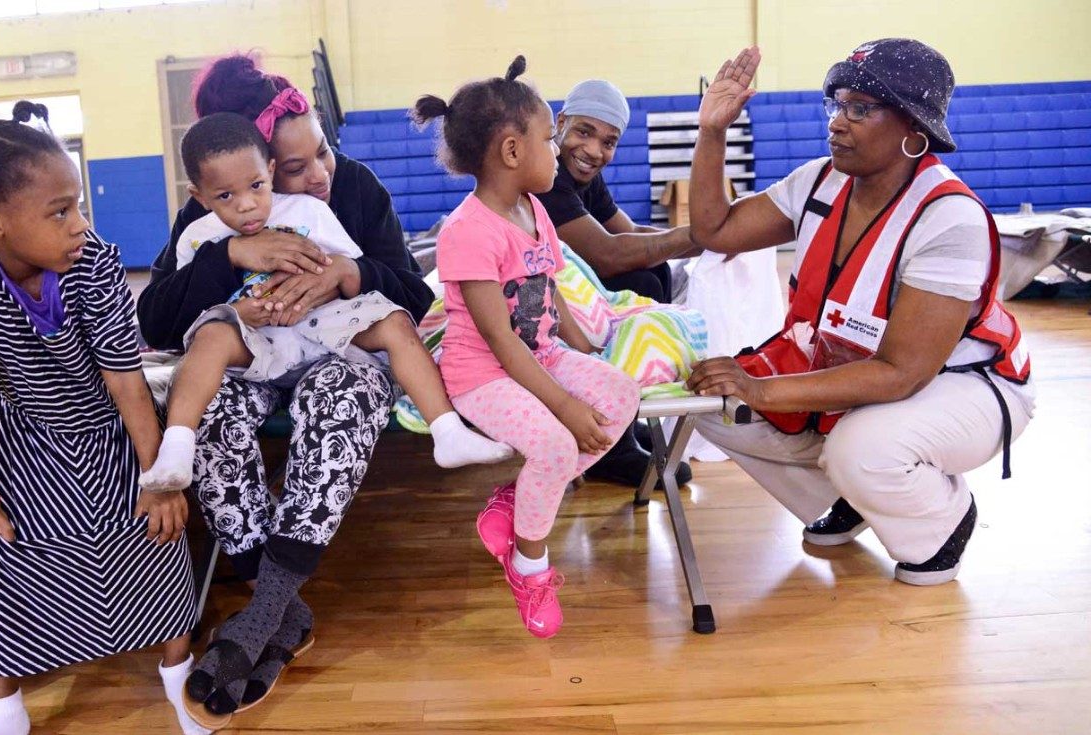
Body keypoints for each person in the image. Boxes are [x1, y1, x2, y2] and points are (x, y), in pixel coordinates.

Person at [135, 52, 435, 725]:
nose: (316, 174)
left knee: (347, 391)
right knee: (209, 404)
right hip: (252, 353)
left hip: (332, 348)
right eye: (294, 168)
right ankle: (284, 613)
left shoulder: (352, 188)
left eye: (321, 153)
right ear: (256, 169)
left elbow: (414, 293)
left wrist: (349, 273)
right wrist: (230, 256)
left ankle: (262, 616)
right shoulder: (222, 207)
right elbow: (154, 318)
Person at [686, 41, 1034, 586]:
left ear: (913, 127)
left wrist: (761, 390)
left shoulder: (950, 219)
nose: (837, 123)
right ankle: (859, 498)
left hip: (964, 387)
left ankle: (939, 521)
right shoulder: (820, 181)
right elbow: (716, 230)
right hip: (859, 372)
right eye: (836, 104)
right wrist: (712, 132)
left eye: (860, 108)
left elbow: (903, 373)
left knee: (863, 447)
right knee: (708, 403)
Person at [0, 102, 202, 735]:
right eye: (61, 211)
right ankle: (4, 705)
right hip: (21, 432)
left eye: (78, 205)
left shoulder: (94, 261)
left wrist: (158, 477)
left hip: (108, 426)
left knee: (157, 538)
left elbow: (126, 381)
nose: (80, 224)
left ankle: (180, 677)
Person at [138, 112, 510, 491]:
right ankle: (176, 447)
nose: (247, 205)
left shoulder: (308, 210)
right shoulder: (197, 235)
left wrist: (333, 279)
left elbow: (353, 268)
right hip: (254, 339)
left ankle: (447, 430)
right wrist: (233, 302)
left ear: (268, 170)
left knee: (394, 320)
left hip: (318, 326)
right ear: (200, 196)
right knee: (210, 336)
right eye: (226, 195)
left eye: (255, 185)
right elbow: (181, 308)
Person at [413, 56, 642, 638]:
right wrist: (563, 405)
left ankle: (511, 503)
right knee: (554, 443)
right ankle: (529, 565)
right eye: (549, 137)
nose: (557, 149)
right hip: (482, 373)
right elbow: (502, 343)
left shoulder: (535, 208)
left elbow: (548, 287)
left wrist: (581, 342)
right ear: (512, 152)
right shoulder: (466, 231)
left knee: (620, 395)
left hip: (538, 356)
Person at [535, 79, 699, 489]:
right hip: (539, 303)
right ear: (561, 122)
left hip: (567, 294)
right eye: (584, 132)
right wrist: (700, 237)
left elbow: (630, 234)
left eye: (608, 142)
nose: (594, 151)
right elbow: (608, 253)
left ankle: (620, 414)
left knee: (653, 270)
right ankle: (608, 441)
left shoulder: (584, 176)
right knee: (643, 273)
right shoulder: (548, 176)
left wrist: (701, 237)